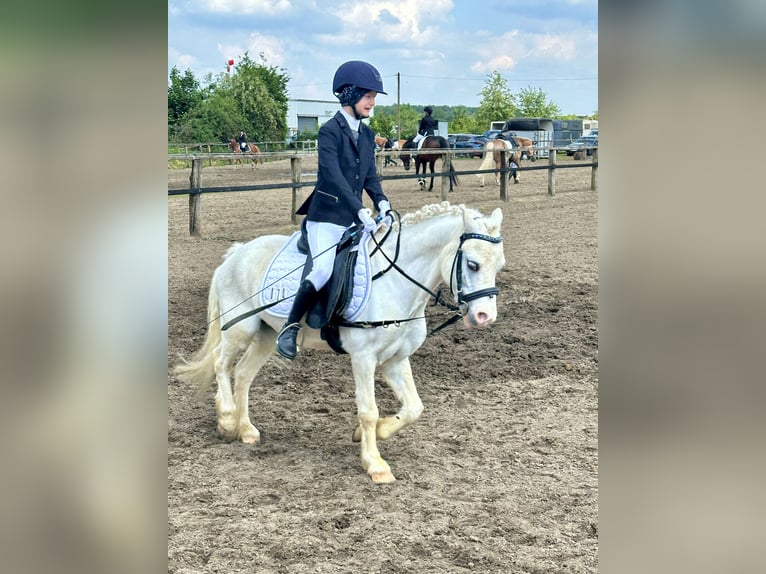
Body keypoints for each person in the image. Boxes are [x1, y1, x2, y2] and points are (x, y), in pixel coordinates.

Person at [276, 60, 393, 360]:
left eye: (373, 96)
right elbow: (332, 176)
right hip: (326, 217)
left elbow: (368, 176)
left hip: (355, 218)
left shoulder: (367, 135)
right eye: (368, 95)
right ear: (350, 95)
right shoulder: (329, 132)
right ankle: (289, 328)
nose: (373, 101)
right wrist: (359, 209)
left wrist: (381, 201)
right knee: (324, 268)